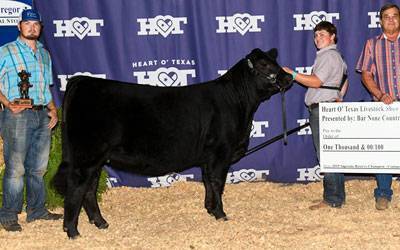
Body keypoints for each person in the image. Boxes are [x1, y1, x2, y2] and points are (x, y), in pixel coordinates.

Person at [0, 9, 62, 232]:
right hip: (17, 116)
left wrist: (53, 110)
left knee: (38, 168)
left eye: (36, 24)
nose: (32, 27)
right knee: (16, 168)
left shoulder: (44, 54)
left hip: (41, 115)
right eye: (27, 23)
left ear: (40, 28)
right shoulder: (6, 51)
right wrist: (8, 104)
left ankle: (36, 210)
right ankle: (8, 214)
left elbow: (45, 87)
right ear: (19, 26)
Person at [283, 21, 348, 209]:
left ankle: (332, 199)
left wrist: (292, 74)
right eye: (316, 35)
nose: (318, 38)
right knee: (332, 154)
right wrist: (339, 95)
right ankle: (335, 196)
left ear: (332, 37)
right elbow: (345, 80)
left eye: (322, 34)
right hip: (328, 107)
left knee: (327, 155)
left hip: (322, 109)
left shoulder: (328, 56)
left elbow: (316, 82)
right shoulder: (337, 56)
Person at [356, 3, 400, 210]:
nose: (391, 20)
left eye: (395, 16)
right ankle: (383, 193)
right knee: (384, 152)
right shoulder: (372, 44)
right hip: (384, 107)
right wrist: (380, 94)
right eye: (386, 17)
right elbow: (366, 74)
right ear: (380, 21)